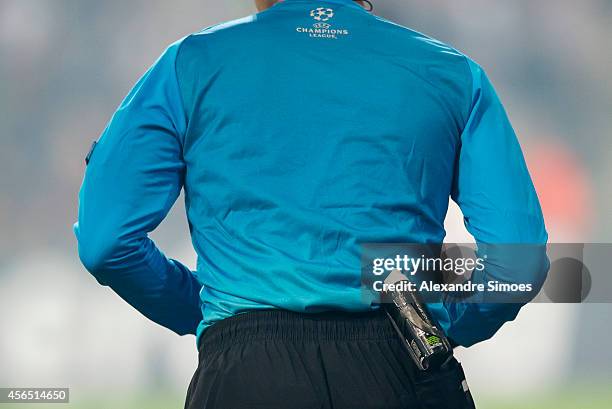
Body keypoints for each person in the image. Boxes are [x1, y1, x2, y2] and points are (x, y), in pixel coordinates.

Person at [74, 0, 549, 408]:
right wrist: (432, 328)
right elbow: (518, 261)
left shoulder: (188, 65)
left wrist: (202, 312)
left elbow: (106, 242)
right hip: (401, 362)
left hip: (244, 374)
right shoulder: (452, 74)